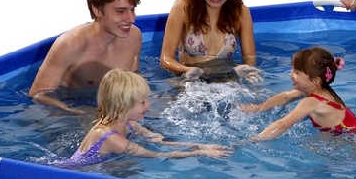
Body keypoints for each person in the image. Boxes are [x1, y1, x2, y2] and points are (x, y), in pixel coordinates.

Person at [52, 69, 232, 167]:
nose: (149, 105)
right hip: (76, 171)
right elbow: (156, 154)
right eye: (142, 102)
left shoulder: (129, 124)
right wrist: (198, 153)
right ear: (123, 106)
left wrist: (201, 145)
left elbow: (160, 142)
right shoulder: (111, 138)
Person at [29, 0, 143, 114]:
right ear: (97, 10)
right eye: (121, 11)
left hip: (110, 105)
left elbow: (134, 81)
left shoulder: (134, 37)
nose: (131, 18)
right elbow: (38, 94)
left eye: (132, 9)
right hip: (71, 105)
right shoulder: (70, 44)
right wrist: (76, 113)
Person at [240, 46, 356, 141]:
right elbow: (286, 97)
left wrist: (255, 139)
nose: (291, 75)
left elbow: (283, 124)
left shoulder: (311, 101)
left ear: (315, 81)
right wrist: (258, 108)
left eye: (296, 72)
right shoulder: (321, 91)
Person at [159, 0, 261, 83]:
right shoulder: (183, 8)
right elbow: (166, 59)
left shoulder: (241, 12)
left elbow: (250, 57)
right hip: (190, 80)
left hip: (228, 77)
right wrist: (186, 70)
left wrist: (248, 71)